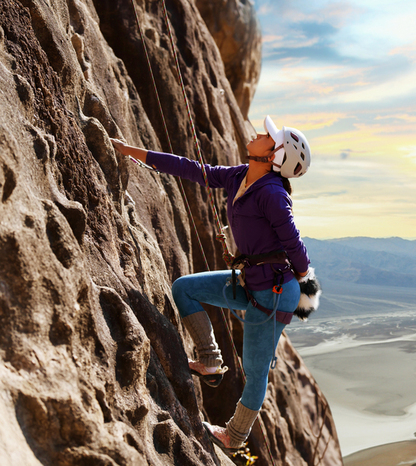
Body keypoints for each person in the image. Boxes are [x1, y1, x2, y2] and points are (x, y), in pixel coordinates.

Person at [110, 116, 316, 455]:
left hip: (274, 294)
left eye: (269, 136)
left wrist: (303, 278)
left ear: (274, 156)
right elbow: (191, 169)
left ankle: (234, 437)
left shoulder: (273, 195)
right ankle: (209, 360)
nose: (261, 133)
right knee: (184, 288)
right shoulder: (239, 175)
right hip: (253, 283)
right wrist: (132, 152)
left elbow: (295, 247)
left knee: (254, 372)